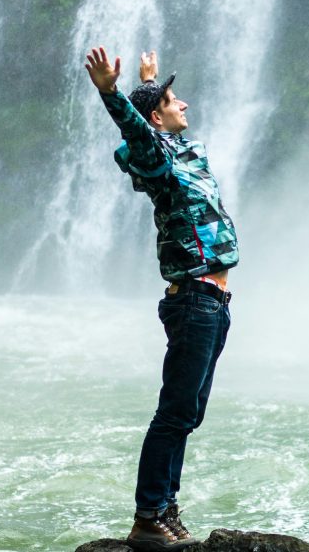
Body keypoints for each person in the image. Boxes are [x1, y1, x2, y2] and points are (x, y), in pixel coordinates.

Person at [85, 46, 239, 550]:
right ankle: (149, 515)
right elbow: (137, 138)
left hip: (214, 303)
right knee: (174, 413)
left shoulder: (186, 153)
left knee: (187, 413)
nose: (186, 104)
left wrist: (151, 84)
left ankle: (165, 507)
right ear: (156, 118)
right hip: (194, 300)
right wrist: (113, 94)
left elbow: (159, 129)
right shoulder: (159, 162)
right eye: (175, 101)